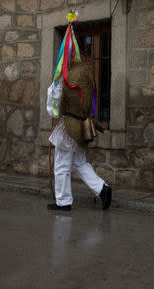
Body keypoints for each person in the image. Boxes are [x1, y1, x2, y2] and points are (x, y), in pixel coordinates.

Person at [46, 62, 112, 211]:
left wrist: (55, 85)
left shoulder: (65, 81)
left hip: (68, 127)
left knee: (62, 166)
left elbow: (53, 111)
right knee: (80, 163)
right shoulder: (85, 78)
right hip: (80, 126)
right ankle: (103, 189)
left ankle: (63, 202)